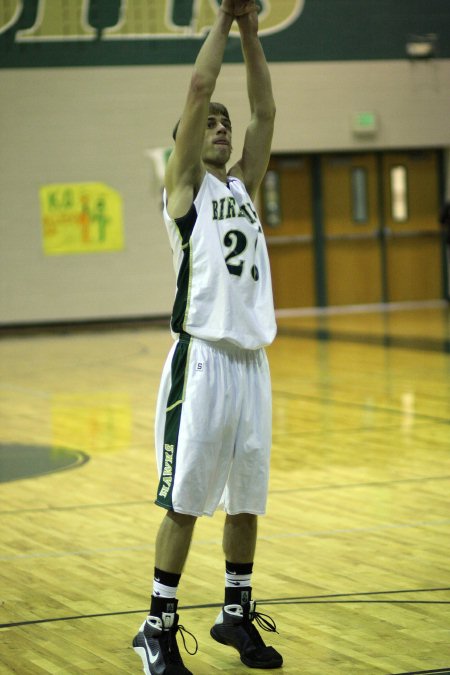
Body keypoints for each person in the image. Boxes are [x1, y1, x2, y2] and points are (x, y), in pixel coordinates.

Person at [132, 1, 282, 672]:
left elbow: (267, 113)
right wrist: (223, 17)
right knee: (187, 500)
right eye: (210, 124)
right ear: (188, 145)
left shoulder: (246, 184)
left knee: (246, 499)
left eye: (226, 123)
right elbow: (198, 89)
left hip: (252, 362)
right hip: (202, 360)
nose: (221, 126)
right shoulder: (185, 188)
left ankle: (235, 612)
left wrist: (254, 30)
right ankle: (156, 627)